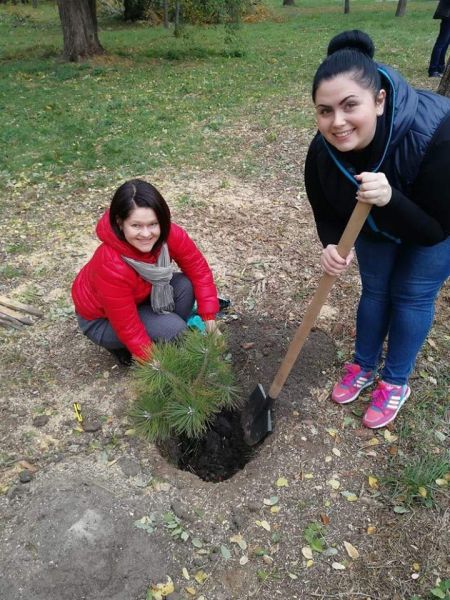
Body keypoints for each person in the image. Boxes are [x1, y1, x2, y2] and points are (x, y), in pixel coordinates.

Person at [305, 30, 450, 428]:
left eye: (350, 105)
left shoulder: (438, 133)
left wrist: (392, 199)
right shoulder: (322, 152)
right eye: (324, 110)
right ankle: (364, 366)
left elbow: (435, 230)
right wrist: (331, 245)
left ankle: (395, 381)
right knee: (376, 290)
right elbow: (325, 209)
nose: (338, 122)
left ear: (379, 100)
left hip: (436, 224)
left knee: (411, 295)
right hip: (377, 226)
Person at [72, 179, 219, 365]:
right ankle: (139, 345)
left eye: (152, 224)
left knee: (186, 286)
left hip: (141, 297)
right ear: (120, 223)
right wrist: (153, 364)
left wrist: (209, 319)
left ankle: (164, 337)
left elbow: (199, 270)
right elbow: (127, 325)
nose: (146, 234)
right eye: (136, 226)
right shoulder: (110, 263)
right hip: (102, 320)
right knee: (174, 330)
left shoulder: (170, 235)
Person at [428, 0, 450, 77]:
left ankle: (440, 66)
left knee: (445, 44)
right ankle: (433, 69)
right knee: (441, 44)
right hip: (448, 16)